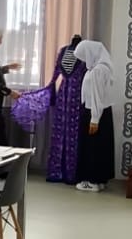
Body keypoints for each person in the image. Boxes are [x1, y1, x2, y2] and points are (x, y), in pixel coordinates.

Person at [74, 40, 116, 192]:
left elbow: (97, 96)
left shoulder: (98, 71)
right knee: (99, 146)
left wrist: (94, 119)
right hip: (100, 112)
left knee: (91, 147)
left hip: (94, 112)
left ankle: (91, 181)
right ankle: (99, 179)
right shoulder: (101, 68)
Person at [46, 35, 86, 183]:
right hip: (74, 94)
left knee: (66, 132)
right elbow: (57, 72)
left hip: (67, 94)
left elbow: (56, 73)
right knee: (69, 132)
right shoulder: (76, 52)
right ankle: (67, 173)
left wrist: (51, 86)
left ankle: (61, 172)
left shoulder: (65, 51)